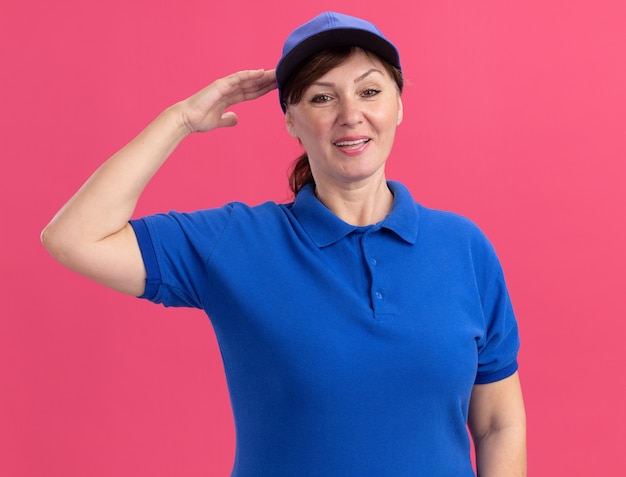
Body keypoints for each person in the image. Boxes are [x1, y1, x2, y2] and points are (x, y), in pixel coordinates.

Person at [41, 11, 526, 477]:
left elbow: (497, 423)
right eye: (321, 98)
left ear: (398, 105)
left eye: (370, 91)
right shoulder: (236, 244)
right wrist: (181, 120)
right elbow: (74, 237)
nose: (350, 115)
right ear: (290, 121)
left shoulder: (464, 248)